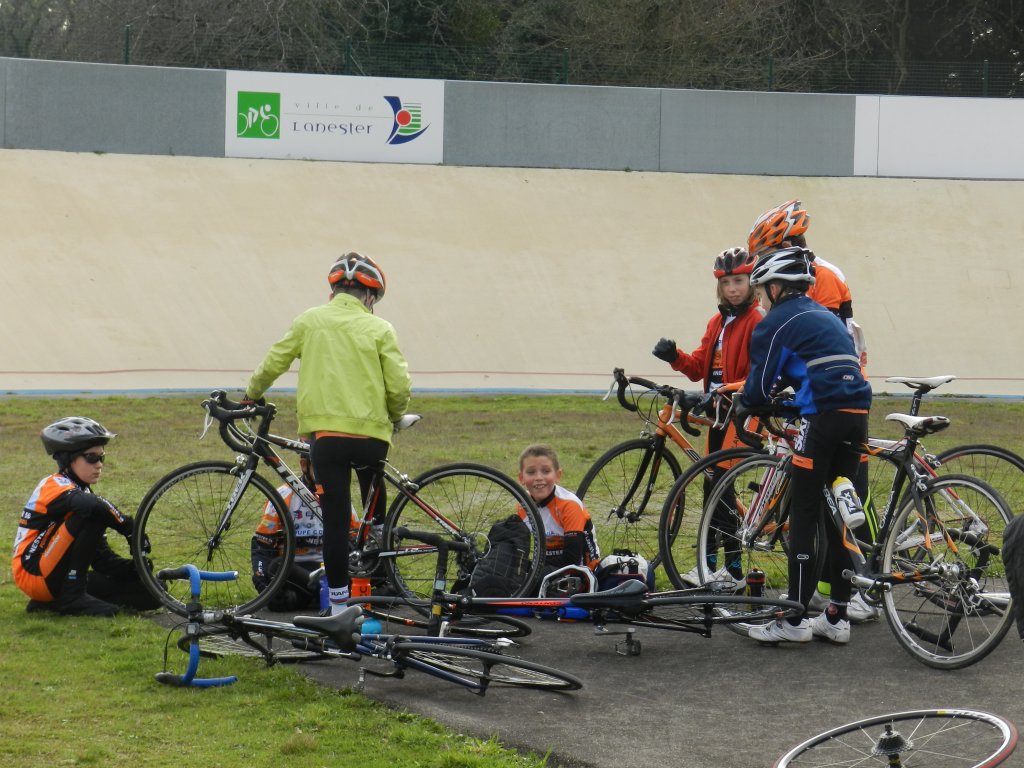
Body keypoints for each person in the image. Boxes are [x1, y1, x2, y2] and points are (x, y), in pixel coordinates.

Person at [244, 252, 412, 616]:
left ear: (333, 292)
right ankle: (379, 544)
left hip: (326, 438)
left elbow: (275, 360)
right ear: (370, 297)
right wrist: (396, 414)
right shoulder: (380, 328)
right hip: (371, 437)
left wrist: (251, 394)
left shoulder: (310, 320)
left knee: (335, 522)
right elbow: (399, 384)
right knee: (371, 495)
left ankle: (337, 608)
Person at [748, 199, 878, 622]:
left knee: (809, 509)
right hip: (855, 403)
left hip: (822, 409)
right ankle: (836, 613)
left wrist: (750, 401)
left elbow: (766, 379)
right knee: (839, 506)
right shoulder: (818, 303)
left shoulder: (786, 311)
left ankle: (795, 616)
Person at [652, 246, 765, 591]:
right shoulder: (717, 322)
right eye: (726, 282)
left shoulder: (757, 320)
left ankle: (732, 571)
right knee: (711, 485)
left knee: (721, 487)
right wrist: (675, 357)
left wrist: (725, 392)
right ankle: (710, 564)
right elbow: (699, 367)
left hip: (741, 413)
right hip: (718, 413)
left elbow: (759, 373)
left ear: (752, 282)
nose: (733, 288)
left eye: (739, 281)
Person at [12, 417, 160, 617]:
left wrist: (131, 569)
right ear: (68, 458)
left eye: (101, 457)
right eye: (91, 457)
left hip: (57, 576)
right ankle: (71, 599)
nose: (99, 465)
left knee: (152, 591)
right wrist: (129, 527)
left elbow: (101, 559)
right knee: (94, 511)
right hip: (35, 573)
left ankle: (52, 603)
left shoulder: (83, 494)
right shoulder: (53, 484)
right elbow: (93, 506)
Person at [517, 444, 600, 578]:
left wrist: (531, 567)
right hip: (546, 565)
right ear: (521, 478)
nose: (539, 477)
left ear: (557, 475)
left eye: (546, 471)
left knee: (530, 578)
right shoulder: (523, 505)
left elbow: (571, 559)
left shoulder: (569, 505)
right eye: (531, 472)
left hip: (580, 571)